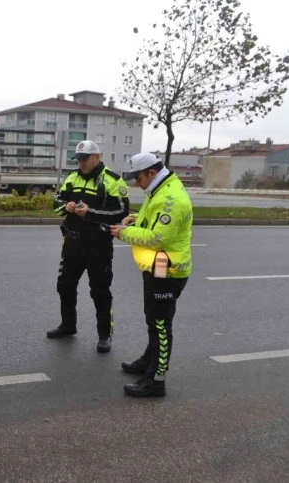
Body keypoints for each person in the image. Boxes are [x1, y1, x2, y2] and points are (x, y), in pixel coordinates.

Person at [109, 152, 193, 397]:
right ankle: (148, 362)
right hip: (156, 270)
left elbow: (158, 238)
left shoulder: (171, 199)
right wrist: (136, 220)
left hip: (168, 273)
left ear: (152, 173)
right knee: (153, 323)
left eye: (138, 177)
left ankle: (156, 380)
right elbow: (152, 222)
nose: (136, 183)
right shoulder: (158, 190)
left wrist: (123, 233)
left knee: (160, 327)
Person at [48, 140, 130, 353]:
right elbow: (55, 203)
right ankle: (68, 326)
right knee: (64, 286)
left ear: (97, 157)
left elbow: (121, 214)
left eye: (85, 159)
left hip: (98, 245)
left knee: (100, 291)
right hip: (72, 242)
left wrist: (90, 213)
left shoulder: (113, 181)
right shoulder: (72, 177)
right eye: (78, 159)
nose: (81, 163)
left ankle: (105, 336)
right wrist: (65, 206)